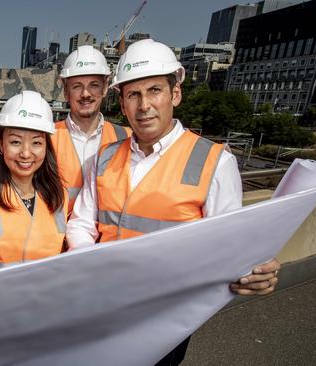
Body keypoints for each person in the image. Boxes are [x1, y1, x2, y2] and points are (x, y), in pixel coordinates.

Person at [66, 39, 281, 365]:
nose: (144, 105)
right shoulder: (105, 157)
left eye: (154, 91)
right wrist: (91, 268)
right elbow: (82, 221)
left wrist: (255, 268)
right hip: (105, 303)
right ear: (122, 104)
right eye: (133, 95)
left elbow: (230, 246)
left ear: (175, 95)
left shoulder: (214, 161)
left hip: (167, 316)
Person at [0, 91, 67, 274]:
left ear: (46, 147)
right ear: (1, 145)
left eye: (36, 143)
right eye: (15, 142)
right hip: (1, 300)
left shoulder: (60, 197)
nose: (26, 153)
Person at [52, 45, 131, 213]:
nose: (85, 94)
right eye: (77, 86)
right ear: (66, 91)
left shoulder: (127, 138)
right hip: (57, 236)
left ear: (105, 88)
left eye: (94, 85)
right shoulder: (47, 137)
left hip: (109, 237)